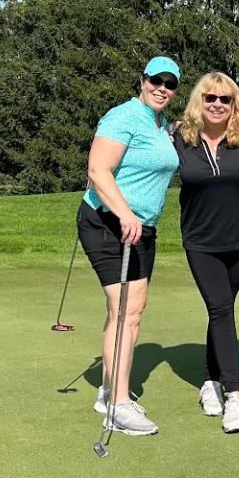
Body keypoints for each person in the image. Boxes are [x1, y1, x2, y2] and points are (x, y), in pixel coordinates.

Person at [77, 56, 181, 438]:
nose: (162, 88)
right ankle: (118, 403)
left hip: (141, 230)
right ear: (142, 80)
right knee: (123, 311)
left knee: (131, 311)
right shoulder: (122, 117)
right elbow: (97, 170)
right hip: (108, 223)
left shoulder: (159, 124)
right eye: (156, 80)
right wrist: (124, 213)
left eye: (170, 84)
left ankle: (109, 391)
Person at [173, 72, 239, 434]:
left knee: (219, 310)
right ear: (199, 101)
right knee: (221, 309)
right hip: (200, 240)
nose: (218, 104)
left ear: (234, 103)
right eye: (210, 98)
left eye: (225, 99)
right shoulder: (179, 137)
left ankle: (209, 380)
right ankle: (234, 395)